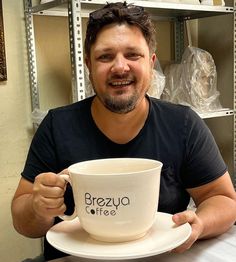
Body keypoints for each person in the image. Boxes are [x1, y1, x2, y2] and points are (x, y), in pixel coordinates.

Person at [11, 1, 236, 261]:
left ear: (151, 63)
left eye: (133, 55)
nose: (120, 67)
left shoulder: (183, 124)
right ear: (88, 65)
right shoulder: (56, 127)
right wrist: (38, 207)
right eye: (105, 56)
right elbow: (22, 221)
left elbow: (223, 199)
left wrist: (200, 222)